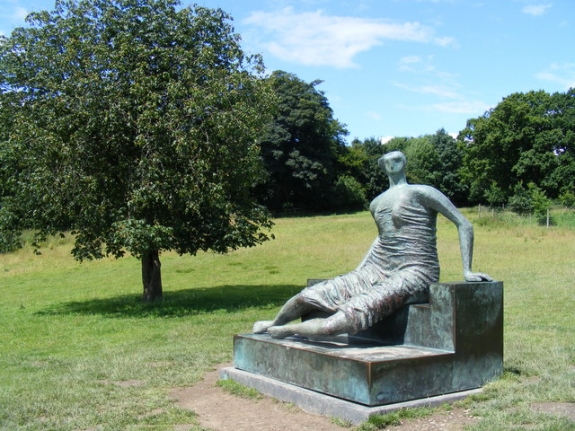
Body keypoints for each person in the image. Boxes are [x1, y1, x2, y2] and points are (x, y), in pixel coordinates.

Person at [253, 150, 492, 339]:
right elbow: (381, 239)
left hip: (416, 272)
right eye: (388, 160)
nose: (393, 163)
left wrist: (467, 271)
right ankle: (274, 324)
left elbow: (464, 224)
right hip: (378, 269)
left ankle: (288, 331)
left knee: (340, 321)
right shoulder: (376, 203)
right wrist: (358, 272)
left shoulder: (421, 192)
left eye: (398, 159)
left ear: (405, 163)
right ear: (382, 166)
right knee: (308, 297)